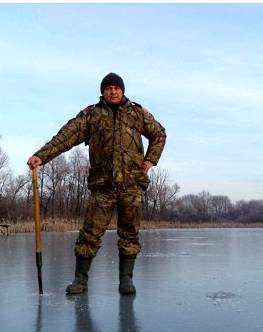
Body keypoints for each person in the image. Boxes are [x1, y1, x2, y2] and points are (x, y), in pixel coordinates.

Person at [27, 72, 166, 295]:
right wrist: (41, 156)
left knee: (129, 233)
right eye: (108, 88)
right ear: (102, 91)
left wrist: (150, 160)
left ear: (122, 90)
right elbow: (66, 136)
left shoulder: (137, 113)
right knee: (89, 234)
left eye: (117, 88)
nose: (113, 91)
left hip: (131, 185)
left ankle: (126, 280)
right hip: (103, 185)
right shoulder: (91, 115)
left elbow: (159, 134)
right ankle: (80, 280)